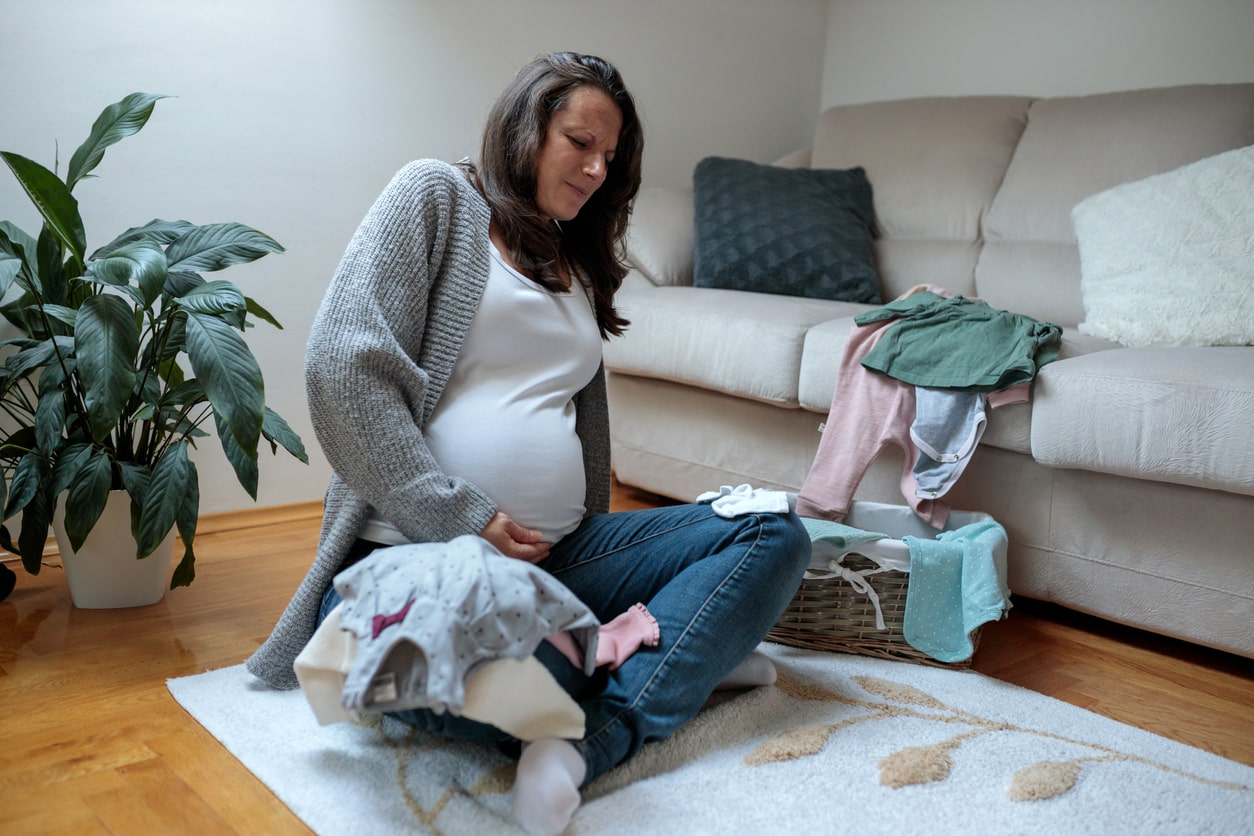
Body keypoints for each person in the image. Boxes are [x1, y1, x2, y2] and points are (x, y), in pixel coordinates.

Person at [246, 51, 810, 835]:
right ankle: (675, 663)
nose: (595, 169)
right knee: (528, 671)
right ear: (524, 129)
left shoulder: (573, 256)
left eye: (609, 158)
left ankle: (584, 742)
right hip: (426, 554)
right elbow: (343, 371)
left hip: (565, 559)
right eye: (580, 143)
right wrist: (464, 517)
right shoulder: (436, 197)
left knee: (771, 531)